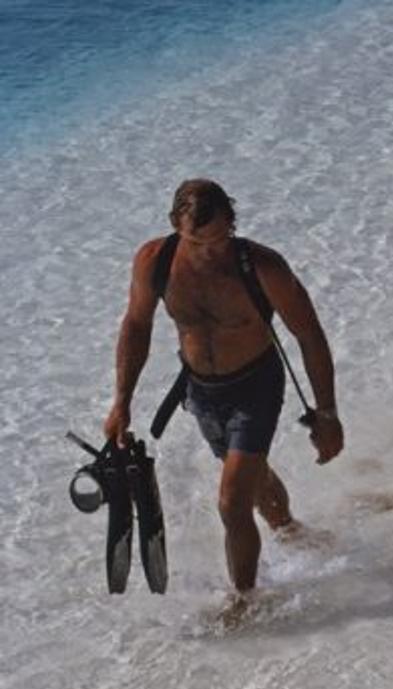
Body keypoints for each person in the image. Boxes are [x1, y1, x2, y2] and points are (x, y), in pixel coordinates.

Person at [103, 179, 344, 594]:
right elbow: (137, 325)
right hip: (202, 393)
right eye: (197, 241)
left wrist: (327, 414)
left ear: (232, 224)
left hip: (256, 387)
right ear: (176, 226)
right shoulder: (153, 262)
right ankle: (289, 529)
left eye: (219, 239)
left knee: (232, 503)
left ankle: (246, 601)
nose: (210, 251)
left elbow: (309, 334)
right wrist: (121, 402)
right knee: (254, 479)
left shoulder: (262, 266)